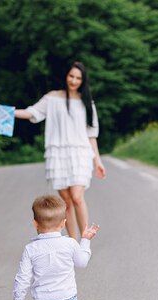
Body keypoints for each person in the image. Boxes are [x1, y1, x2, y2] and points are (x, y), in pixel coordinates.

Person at [14, 62, 106, 240]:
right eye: (71, 76)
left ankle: (85, 239)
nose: (74, 80)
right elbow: (31, 113)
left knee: (77, 196)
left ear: (83, 81)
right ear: (66, 76)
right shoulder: (52, 98)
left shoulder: (87, 103)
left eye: (78, 78)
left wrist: (98, 161)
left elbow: (91, 135)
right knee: (66, 202)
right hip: (58, 153)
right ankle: (72, 241)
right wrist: (9, 113)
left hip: (80, 152)